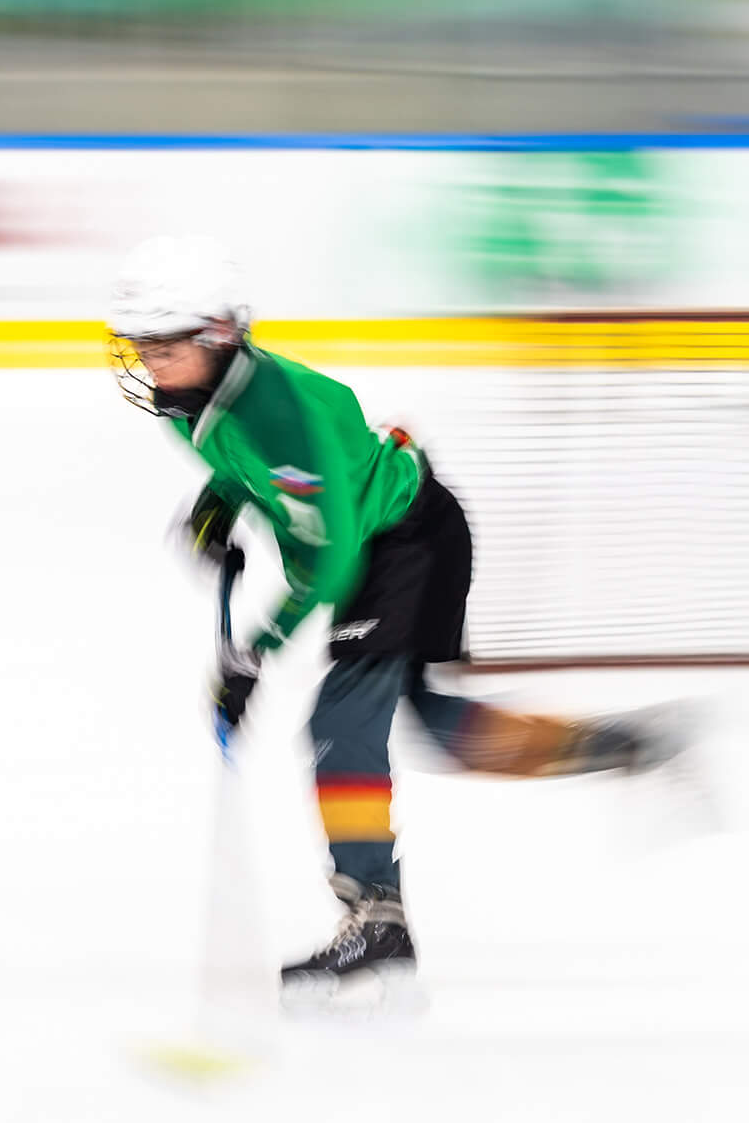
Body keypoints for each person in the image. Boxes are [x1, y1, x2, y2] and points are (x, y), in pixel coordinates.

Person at [107, 236, 691, 996]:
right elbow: (243, 470)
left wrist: (258, 650)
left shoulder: (289, 412)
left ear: (217, 337)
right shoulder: (186, 406)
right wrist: (216, 510)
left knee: (341, 724)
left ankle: (376, 918)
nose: (149, 361)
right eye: (140, 344)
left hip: (408, 540)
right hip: (375, 542)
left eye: (165, 345)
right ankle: (630, 746)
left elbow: (338, 555)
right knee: (439, 730)